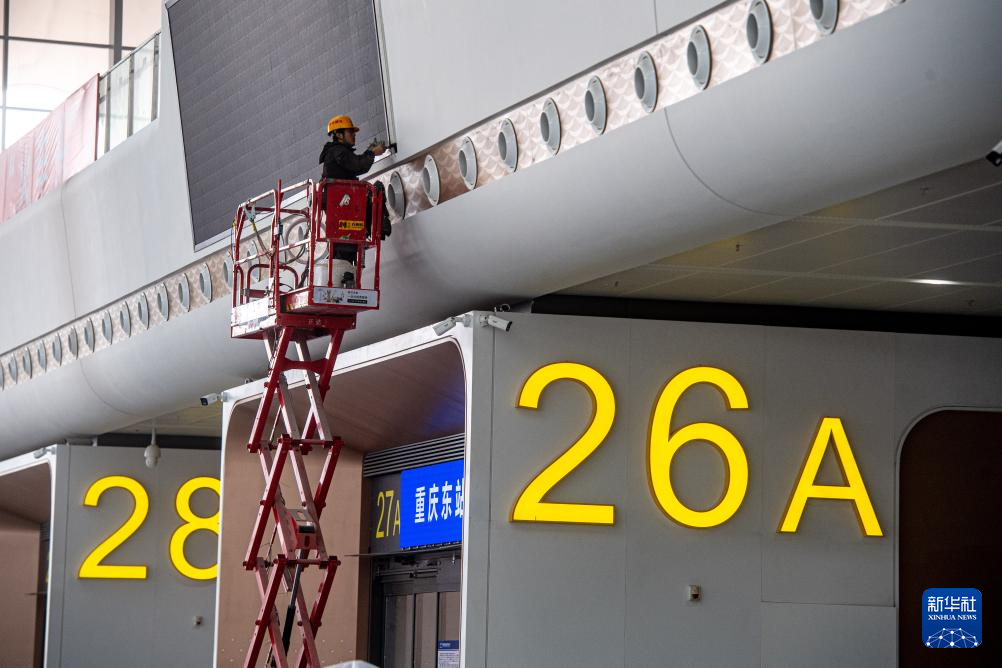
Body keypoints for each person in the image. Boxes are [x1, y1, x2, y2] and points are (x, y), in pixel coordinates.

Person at [318, 115, 391, 288]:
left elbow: (353, 163)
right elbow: (358, 165)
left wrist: (368, 152)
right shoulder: (337, 151)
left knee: (345, 248)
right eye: (350, 132)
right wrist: (372, 153)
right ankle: (380, 227)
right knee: (376, 190)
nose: (354, 135)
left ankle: (345, 276)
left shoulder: (337, 152)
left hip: (343, 208)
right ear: (339, 134)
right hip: (344, 207)